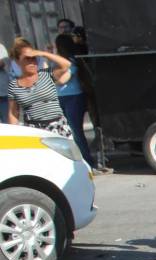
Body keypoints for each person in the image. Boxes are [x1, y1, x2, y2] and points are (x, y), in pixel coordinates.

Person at [6, 38, 74, 138]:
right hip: (34, 131)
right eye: (27, 58)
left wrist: (43, 53)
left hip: (58, 127)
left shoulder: (46, 74)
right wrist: (13, 135)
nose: (32, 62)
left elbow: (66, 65)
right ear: (17, 61)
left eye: (34, 58)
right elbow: (13, 113)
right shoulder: (14, 85)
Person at [53, 34, 96, 169]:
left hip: (74, 97)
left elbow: (61, 80)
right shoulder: (58, 63)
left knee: (76, 130)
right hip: (62, 97)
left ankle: (87, 161)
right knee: (64, 130)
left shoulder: (71, 61)